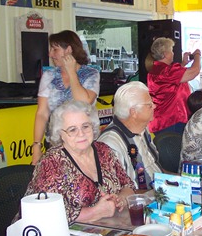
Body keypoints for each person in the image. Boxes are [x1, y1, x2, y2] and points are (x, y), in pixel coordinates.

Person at [23, 101, 135, 224]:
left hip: (106, 226)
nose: (81, 134)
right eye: (72, 130)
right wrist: (94, 212)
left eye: (85, 126)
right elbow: (43, 212)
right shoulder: (51, 162)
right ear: (60, 134)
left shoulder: (104, 151)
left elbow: (128, 185)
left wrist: (120, 199)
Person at [32, 30, 100, 165]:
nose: (50, 54)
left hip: (83, 141)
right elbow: (42, 113)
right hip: (56, 142)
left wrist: (71, 72)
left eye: (54, 49)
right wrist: (36, 146)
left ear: (68, 50)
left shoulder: (91, 73)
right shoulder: (49, 76)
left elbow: (84, 102)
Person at [98, 82, 163, 191]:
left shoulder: (142, 128)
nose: (154, 106)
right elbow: (117, 193)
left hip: (160, 192)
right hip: (141, 200)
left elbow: (154, 165)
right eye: (149, 105)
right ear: (133, 112)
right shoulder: (110, 144)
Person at [147, 37, 201, 136]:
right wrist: (197, 55)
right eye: (171, 50)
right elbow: (194, 71)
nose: (173, 53)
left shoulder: (157, 70)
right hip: (172, 120)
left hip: (162, 120)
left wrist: (183, 63)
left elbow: (173, 80)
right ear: (165, 54)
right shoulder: (167, 71)